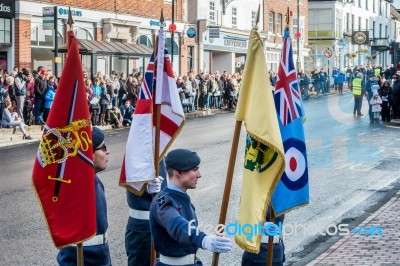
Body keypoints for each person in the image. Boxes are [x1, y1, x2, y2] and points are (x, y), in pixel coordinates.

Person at [150, 149, 232, 265]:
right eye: (194, 170)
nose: (199, 175)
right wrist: (203, 239)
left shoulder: (180, 197)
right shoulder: (163, 201)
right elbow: (176, 225)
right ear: (179, 173)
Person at [57, 127, 111, 265]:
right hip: (82, 259)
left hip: (100, 256)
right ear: (89, 154)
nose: (107, 151)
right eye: (103, 148)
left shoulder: (93, 179)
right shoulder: (75, 185)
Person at [125, 160, 167, 266]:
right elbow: (131, 177)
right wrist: (144, 187)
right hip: (144, 229)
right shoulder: (142, 148)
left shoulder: (156, 148)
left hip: (162, 223)